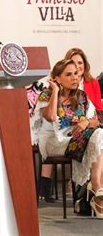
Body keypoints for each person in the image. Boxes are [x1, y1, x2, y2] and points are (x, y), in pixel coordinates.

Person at [35, 59, 103, 218]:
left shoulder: (81, 96)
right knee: (97, 138)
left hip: (77, 139)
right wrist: (55, 91)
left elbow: (96, 120)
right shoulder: (46, 94)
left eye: (76, 74)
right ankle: (96, 192)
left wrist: (86, 122)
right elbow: (51, 116)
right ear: (57, 78)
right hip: (53, 141)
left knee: (99, 134)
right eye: (69, 74)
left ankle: (98, 190)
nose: (75, 78)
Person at [65, 47, 103, 113]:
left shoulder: (93, 82)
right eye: (73, 63)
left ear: (84, 65)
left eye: (80, 63)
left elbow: (98, 107)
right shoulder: (62, 84)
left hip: (91, 121)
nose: (77, 66)